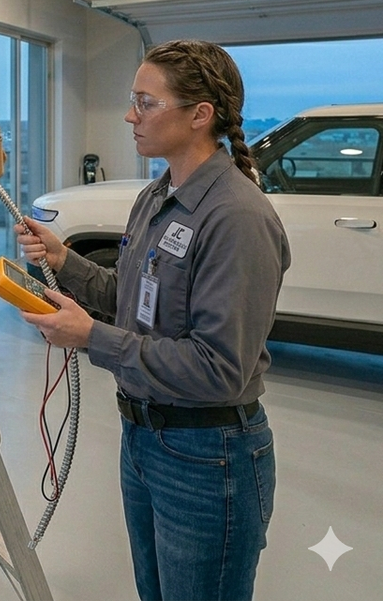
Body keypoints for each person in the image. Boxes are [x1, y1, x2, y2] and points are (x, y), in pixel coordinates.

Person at [15, 40, 290, 601]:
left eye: (145, 102)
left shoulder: (236, 217)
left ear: (199, 115)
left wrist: (93, 338)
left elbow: (220, 370)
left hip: (208, 456)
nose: (129, 115)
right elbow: (131, 298)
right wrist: (66, 261)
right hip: (143, 439)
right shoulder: (157, 196)